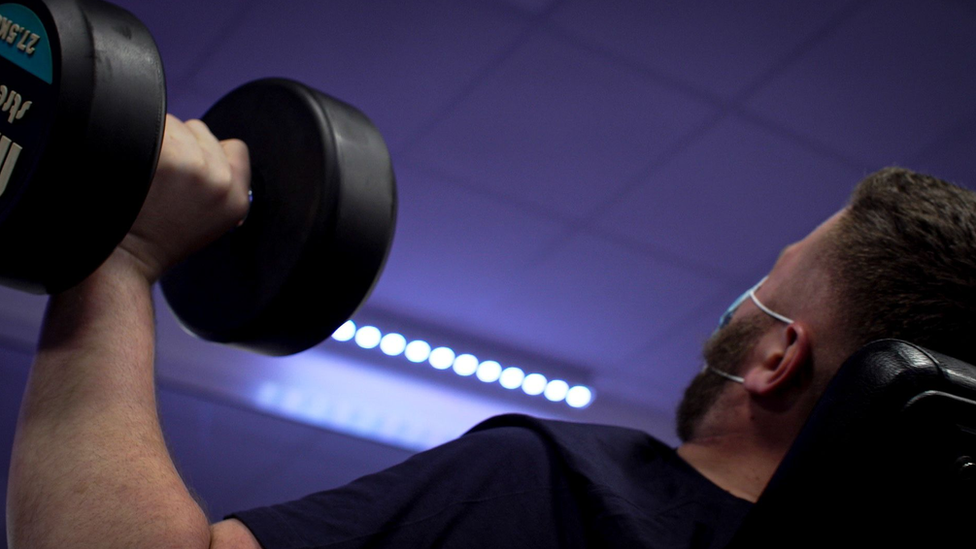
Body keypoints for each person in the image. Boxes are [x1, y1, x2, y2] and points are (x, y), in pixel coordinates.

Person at [7, 116, 976, 549]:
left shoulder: (576, 499)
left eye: (769, 279)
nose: (744, 296)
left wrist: (122, 253)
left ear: (776, 355)